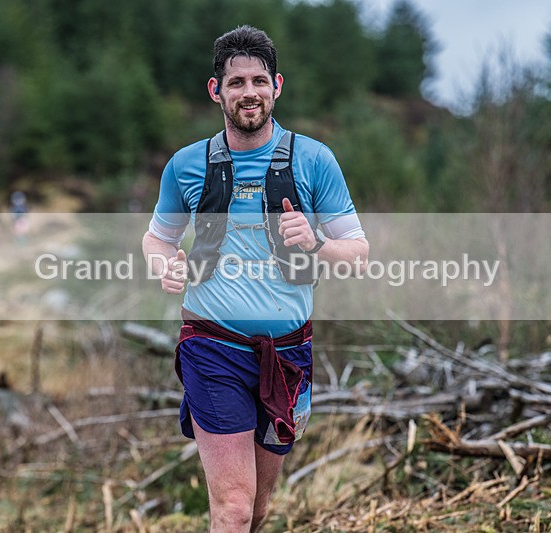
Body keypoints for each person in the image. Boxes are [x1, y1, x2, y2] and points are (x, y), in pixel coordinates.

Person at [142, 25, 368, 532]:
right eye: (237, 81)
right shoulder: (186, 166)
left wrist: (314, 242)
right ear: (215, 89)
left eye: (259, 81)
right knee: (234, 507)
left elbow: (357, 253)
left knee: (259, 508)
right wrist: (165, 264)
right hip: (213, 346)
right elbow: (156, 239)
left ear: (278, 86)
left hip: (287, 353)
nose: (250, 93)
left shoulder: (314, 160)